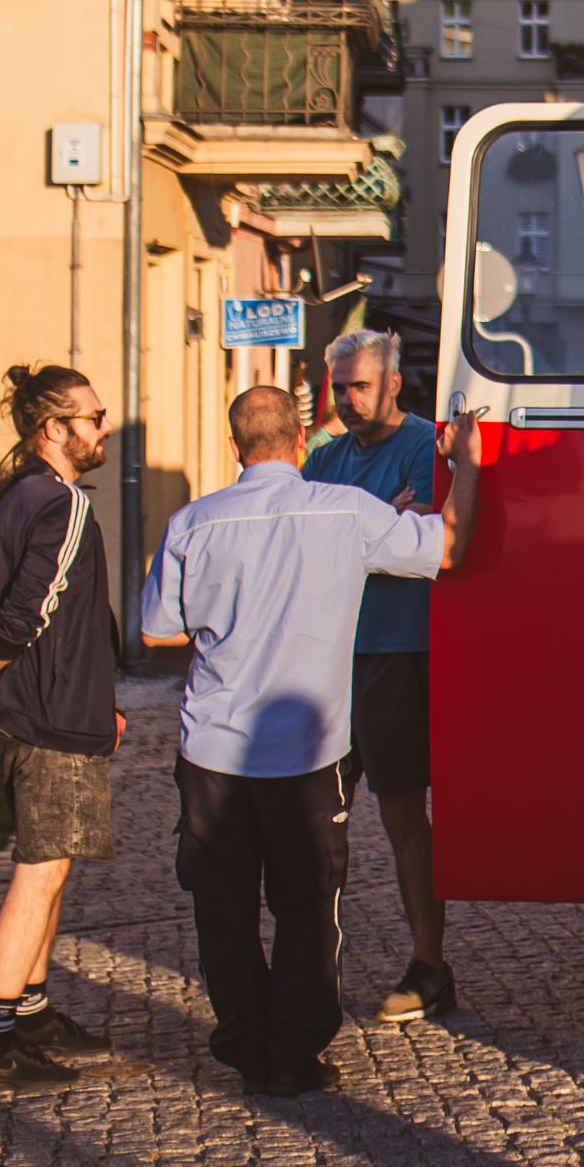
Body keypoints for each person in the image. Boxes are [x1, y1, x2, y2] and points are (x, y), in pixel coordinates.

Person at [139, 384, 479, 1097]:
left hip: (213, 752)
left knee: (223, 908)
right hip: (306, 752)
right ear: (301, 443)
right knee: (306, 907)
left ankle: (243, 1041)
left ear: (234, 448)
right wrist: (468, 464)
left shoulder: (193, 524)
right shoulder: (347, 512)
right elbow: (447, 547)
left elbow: (156, 628)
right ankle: (294, 1054)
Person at [0, 364, 126, 1099]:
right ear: (53, 428)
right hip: (47, 716)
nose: (103, 426)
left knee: (52, 867)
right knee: (40, 871)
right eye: (93, 416)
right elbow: (26, 613)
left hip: (52, 711)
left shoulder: (2, 499)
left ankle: (33, 1015)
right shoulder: (62, 504)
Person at [300, 327, 455, 1024]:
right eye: (339, 388)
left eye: (359, 385)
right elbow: (301, 546)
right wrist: (373, 531)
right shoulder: (325, 458)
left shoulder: (427, 447)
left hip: (397, 651)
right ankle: (309, 970)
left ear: (394, 383)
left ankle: (429, 965)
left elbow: (422, 544)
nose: (348, 400)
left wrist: (362, 539)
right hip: (326, 654)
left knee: (400, 813)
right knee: (309, 815)